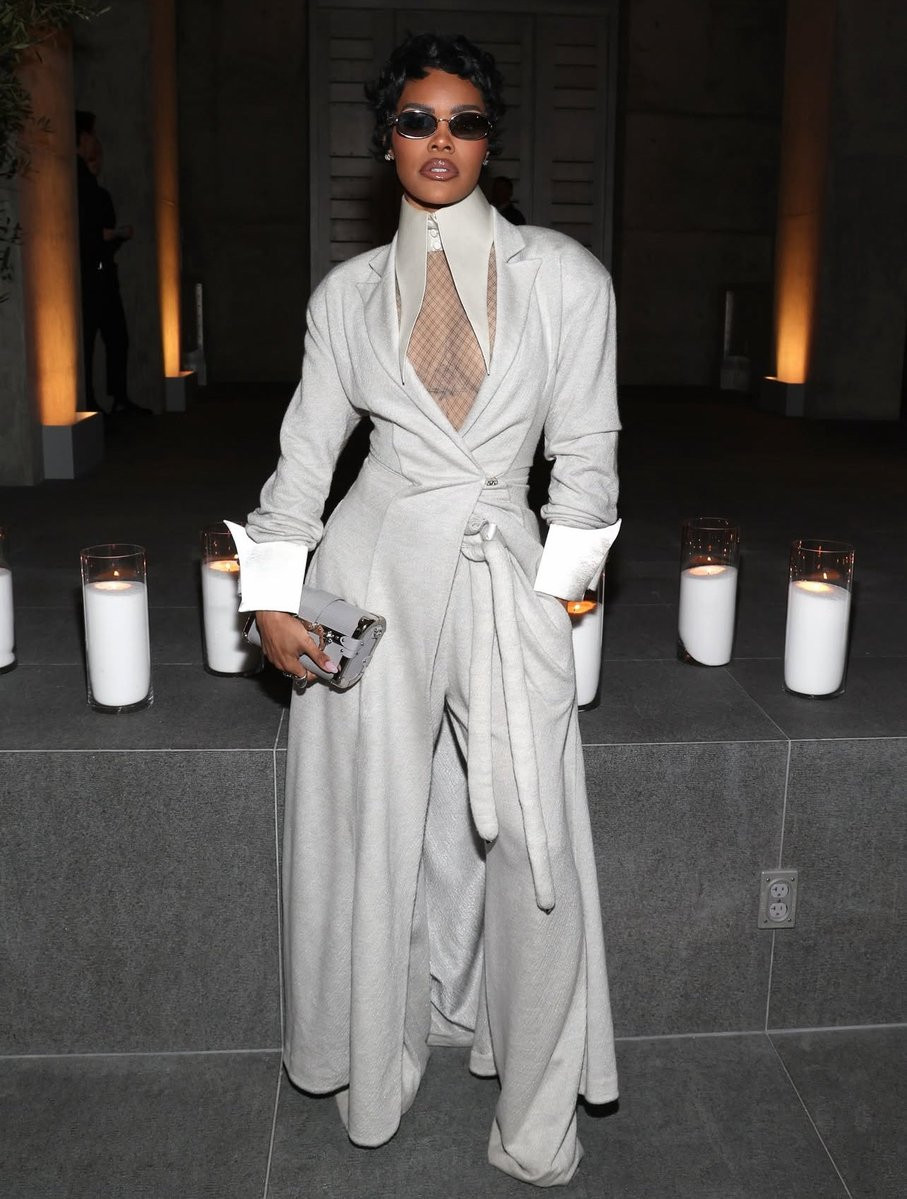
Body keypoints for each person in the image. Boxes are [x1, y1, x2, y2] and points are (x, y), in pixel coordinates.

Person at [229, 31, 621, 1187]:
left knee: (536, 847)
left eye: (462, 122)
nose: (438, 141)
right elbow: (304, 462)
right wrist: (270, 597)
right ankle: (376, 1058)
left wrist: (558, 600)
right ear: (385, 139)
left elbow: (587, 459)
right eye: (416, 120)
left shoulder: (566, 277)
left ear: (491, 142)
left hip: (505, 570)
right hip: (374, 570)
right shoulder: (347, 295)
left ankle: (538, 1113)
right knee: (374, 831)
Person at [75, 111, 149, 416]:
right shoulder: (79, 185)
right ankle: (96, 401)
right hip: (91, 274)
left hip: (100, 272)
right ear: (82, 139)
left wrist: (110, 237)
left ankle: (112, 398)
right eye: (91, 137)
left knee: (113, 337)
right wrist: (106, 235)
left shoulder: (93, 189)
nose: (96, 145)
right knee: (93, 340)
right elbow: (82, 233)